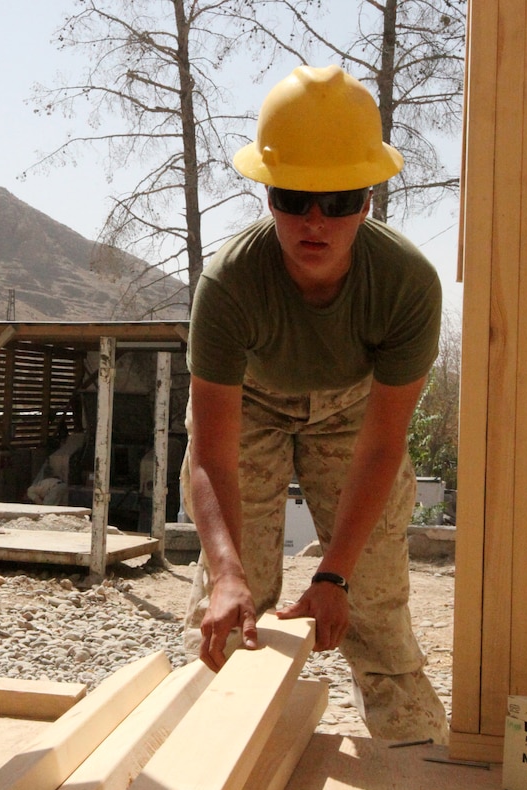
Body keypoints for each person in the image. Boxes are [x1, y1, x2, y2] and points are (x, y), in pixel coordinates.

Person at [181, 64, 449, 743]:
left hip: (355, 410)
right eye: (293, 195)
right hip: (252, 405)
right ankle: (205, 755)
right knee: (231, 605)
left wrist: (335, 573)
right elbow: (211, 453)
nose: (314, 220)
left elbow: (385, 445)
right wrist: (228, 571)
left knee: (375, 607)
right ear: (267, 193)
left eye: (339, 199)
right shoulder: (230, 284)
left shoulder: (407, 285)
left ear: (368, 199)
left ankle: (414, 760)